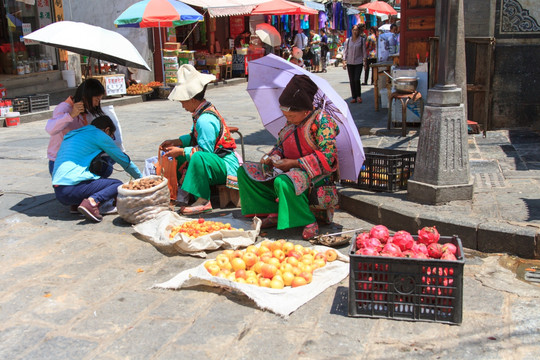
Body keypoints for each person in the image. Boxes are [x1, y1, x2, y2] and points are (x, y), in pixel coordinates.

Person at [237, 75, 340, 240]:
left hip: (316, 175)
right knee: (246, 171)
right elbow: (280, 146)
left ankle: (308, 220)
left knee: (284, 181)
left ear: (306, 110)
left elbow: (328, 156)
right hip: (287, 170)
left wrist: (294, 163)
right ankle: (274, 211)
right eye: (286, 116)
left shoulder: (322, 122)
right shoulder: (291, 123)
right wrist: (273, 157)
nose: (288, 119)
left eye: (291, 116)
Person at [160, 64, 240, 215]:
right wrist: (177, 142)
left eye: (182, 101)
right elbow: (194, 138)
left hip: (225, 165)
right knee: (182, 157)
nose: (182, 105)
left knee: (197, 157)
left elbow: (204, 151)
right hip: (216, 161)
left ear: (190, 98)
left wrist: (182, 151)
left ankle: (203, 200)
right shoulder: (201, 113)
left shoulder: (205, 120)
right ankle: (186, 193)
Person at [52, 116, 142, 223]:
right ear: (107, 130)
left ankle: (76, 205)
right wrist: (140, 179)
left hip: (59, 190)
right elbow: (123, 160)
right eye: (111, 136)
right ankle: (92, 202)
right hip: (71, 187)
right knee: (116, 184)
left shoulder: (74, 134)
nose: (110, 139)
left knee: (98, 164)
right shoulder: (98, 135)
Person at [45, 78, 106, 175]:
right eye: (96, 99)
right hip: (60, 162)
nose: (97, 104)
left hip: (78, 159)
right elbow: (50, 129)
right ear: (86, 96)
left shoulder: (86, 111)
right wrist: (71, 115)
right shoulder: (64, 108)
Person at [343, 24, 367, 104]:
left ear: (358, 31)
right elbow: (345, 51)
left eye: (356, 30)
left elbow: (364, 52)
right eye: (354, 30)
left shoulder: (362, 40)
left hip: (358, 62)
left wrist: (365, 62)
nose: (355, 31)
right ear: (352, 31)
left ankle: (358, 96)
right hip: (350, 62)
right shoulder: (348, 40)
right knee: (352, 80)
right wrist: (344, 61)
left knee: (356, 79)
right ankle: (354, 97)